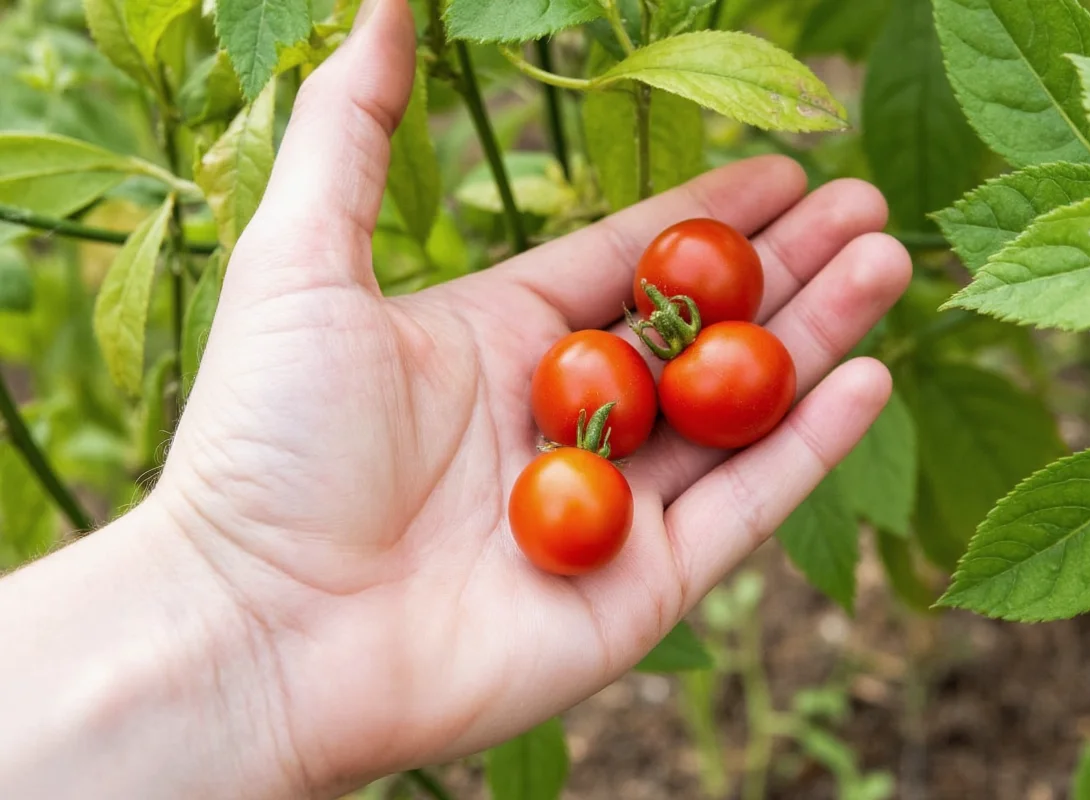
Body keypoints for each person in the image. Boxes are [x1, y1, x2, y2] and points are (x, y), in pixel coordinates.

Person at [0, 0, 912, 796]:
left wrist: (223, 593)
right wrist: (231, 583)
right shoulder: (628, 381)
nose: (667, 325)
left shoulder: (613, 377)